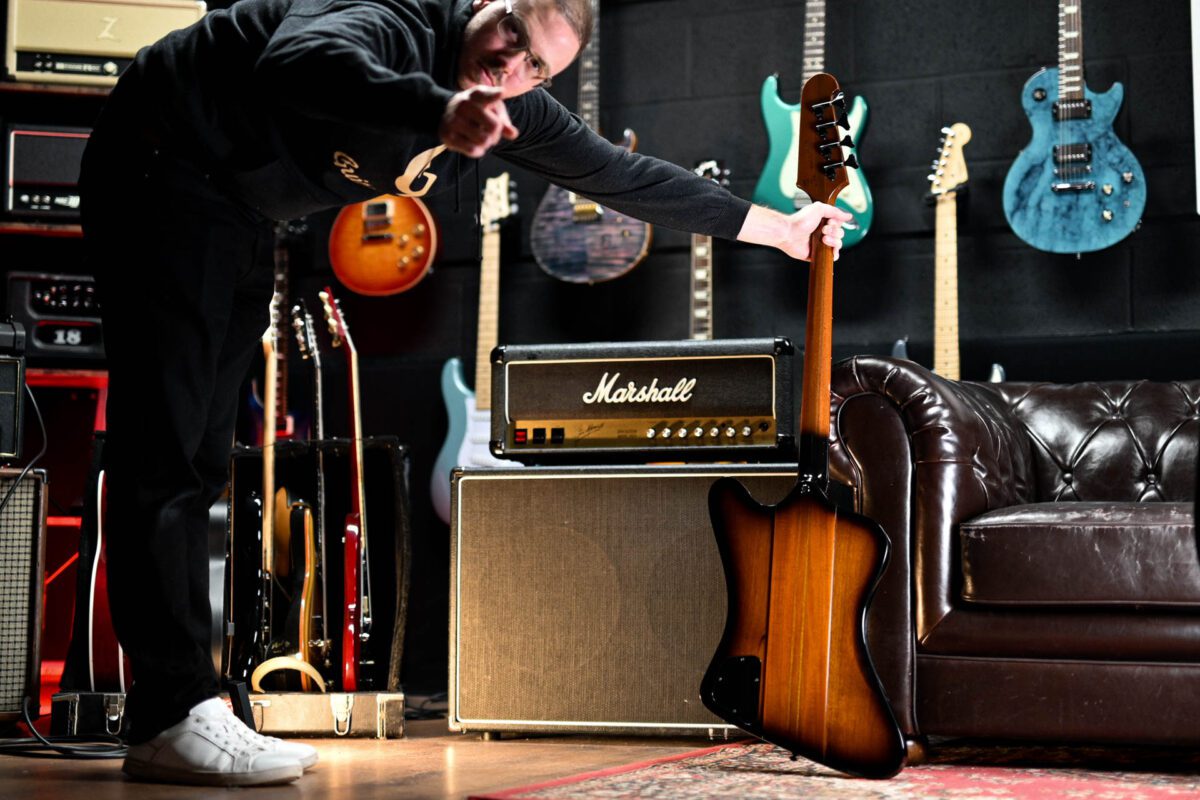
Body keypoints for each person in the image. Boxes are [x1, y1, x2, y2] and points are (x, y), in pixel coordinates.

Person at [78, 0, 850, 786]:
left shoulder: (514, 101)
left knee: (204, 455)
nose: (511, 68)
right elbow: (297, 62)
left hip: (240, 208)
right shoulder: (393, 19)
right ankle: (173, 710)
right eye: (510, 35)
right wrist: (440, 110)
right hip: (161, 162)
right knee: (165, 449)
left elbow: (620, 176)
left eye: (538, 67)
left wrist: (778, 229)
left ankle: (178, 711)